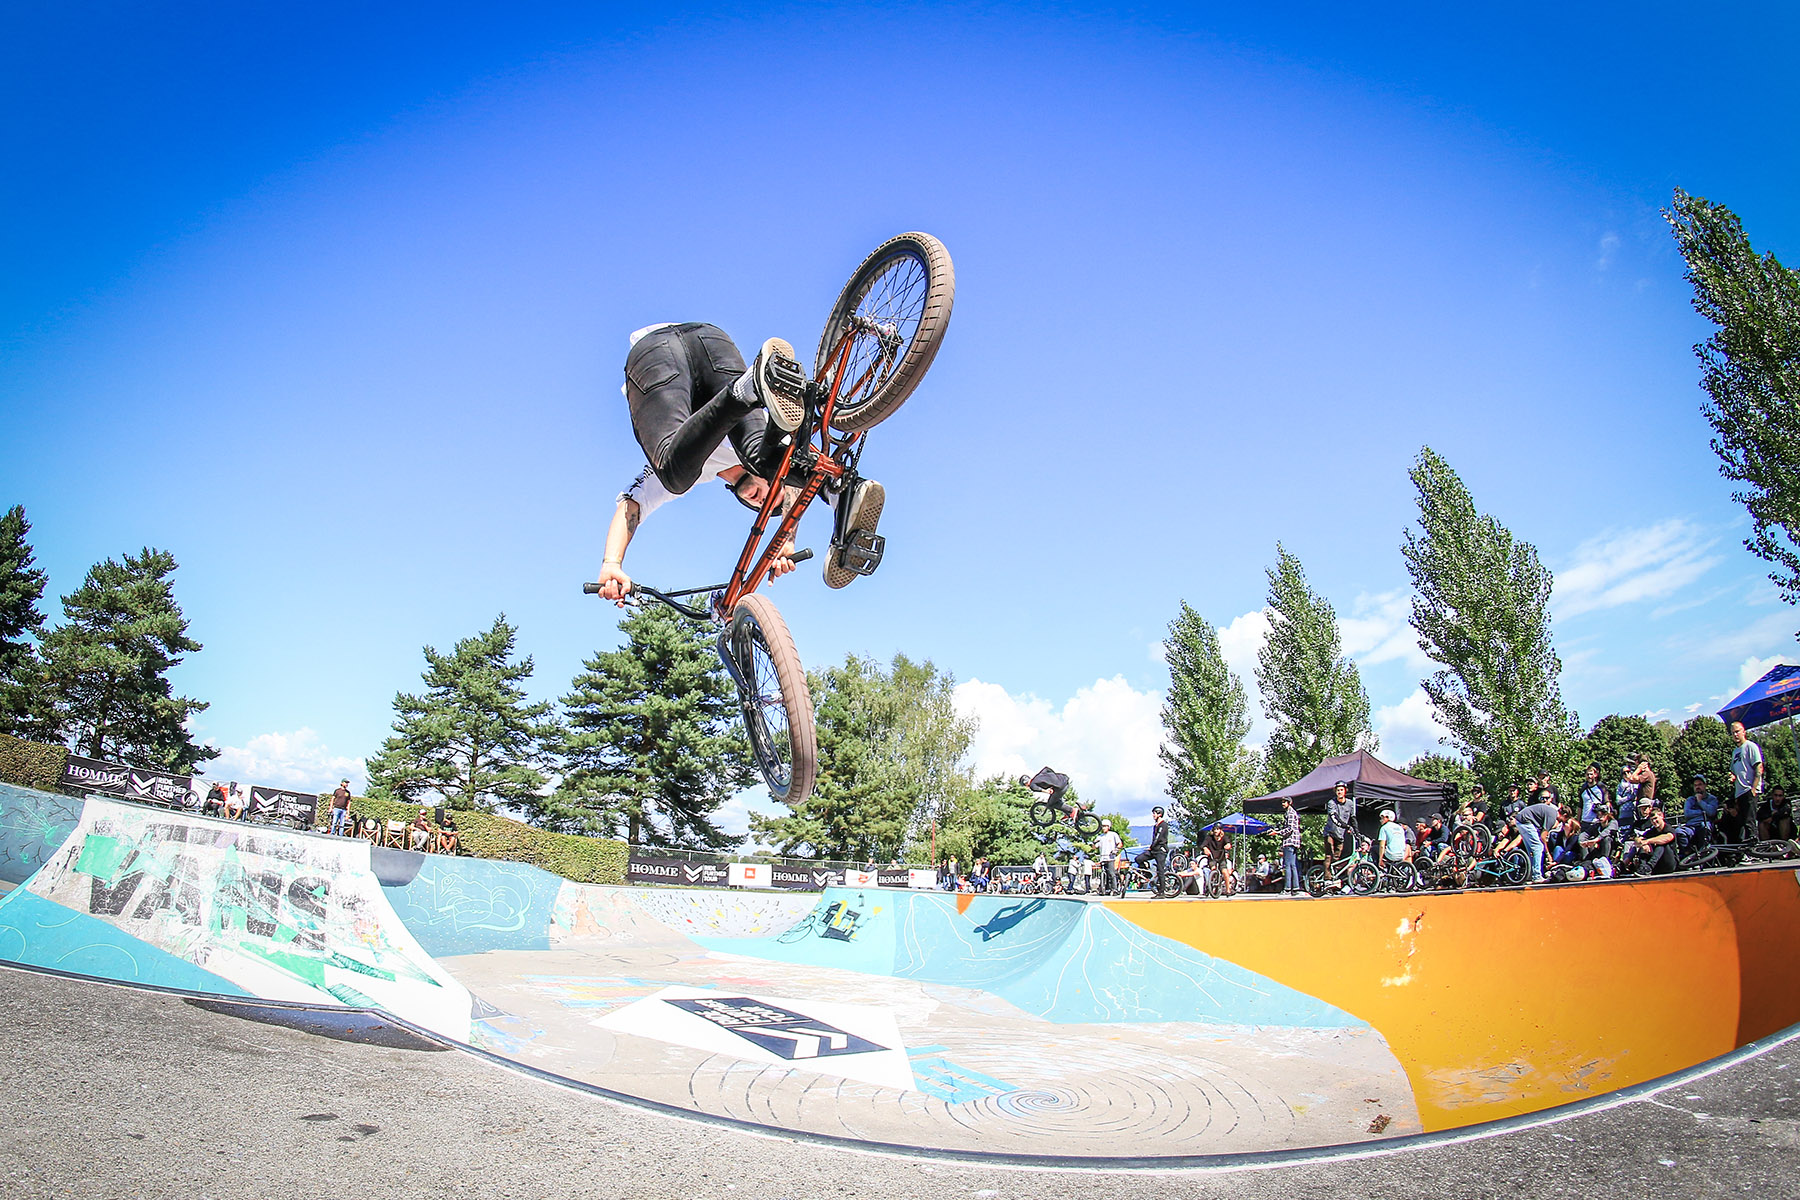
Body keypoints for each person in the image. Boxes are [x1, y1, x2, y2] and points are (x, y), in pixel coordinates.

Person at [594, 323, 886, 601]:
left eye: (761, 506)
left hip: (707, 345)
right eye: (771, 498)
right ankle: (751, 393)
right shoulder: (769, 451)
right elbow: (797, 484)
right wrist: (786, 538)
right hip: (666, 349)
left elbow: (632, 505)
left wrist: (611, 564)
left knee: (684, 473)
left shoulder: (698, 469)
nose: (762, 501)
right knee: (779, 457)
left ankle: (843, 491)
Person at [1515, 795, 1560, 882]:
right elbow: (1543, 837)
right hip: (1525, 821)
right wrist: (1548, 854)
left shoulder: (1550, 811)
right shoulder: (1553, 816)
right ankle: (1537, 876)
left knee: (1532, 851)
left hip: (1521, 820)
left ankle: (1530, 874)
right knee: (1538, 847)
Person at [1731, 721, 1765, 828]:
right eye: (1733, 733)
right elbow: (1734, 770)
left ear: (1743, 732)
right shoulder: (1735, 752)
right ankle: (1746, 843)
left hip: (1749, 789)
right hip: (1740, 792)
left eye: (1737, 731)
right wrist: (1732, 776)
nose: (1735, 735)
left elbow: (1759, 767)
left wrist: (1754, 789)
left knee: (1749, 822)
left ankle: (1754, 842)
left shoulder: (1750, 746)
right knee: (1742, 824)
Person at [1134, 806, 1170, 894]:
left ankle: (1161, 892)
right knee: (1138, 859)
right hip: (1154, 850)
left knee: (1160, 870)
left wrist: (1151, 846)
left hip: (1161, 850)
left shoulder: (1163, 825)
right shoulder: (1155, 825)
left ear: (1159, 814)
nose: (1153, 815)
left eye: (1154, 813)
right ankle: (1147, 874)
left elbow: (1158, 838)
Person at [1634, 807, 1680, 875]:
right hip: (1658, 866)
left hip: (1670, 863)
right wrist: (1643, 843)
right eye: (1652, 820)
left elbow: (1668, 837)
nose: (1654, 822)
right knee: (1644, 844)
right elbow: (1637, 840)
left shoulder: (1668, 828)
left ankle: (1649, 866)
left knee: (1661, 844)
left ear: (1661, 816)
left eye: (1656, 818)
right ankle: (1643, 867)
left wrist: (1647, 841)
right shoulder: (1652, 831)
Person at [1323, 781, 1355, 870]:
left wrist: (1356, 830)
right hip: (1330, 832)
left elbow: (1352, 818)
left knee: (1337, 858)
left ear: (1345, 791)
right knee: (1329, 855)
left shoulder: (1350, 803)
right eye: (1338, 790)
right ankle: (1327, 878)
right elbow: (1334, 817)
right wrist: (1345, 826)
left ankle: (1334, 876)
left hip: (1340, 835)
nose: (1339, 792)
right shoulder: (1331, 802)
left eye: (1341, 790)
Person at [1278, 796, 1302, 895]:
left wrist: (1278, 832)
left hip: (1290, 841)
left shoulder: (1291, 813)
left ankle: (1287, 888)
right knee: (1293, 865)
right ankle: (1295, 888)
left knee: (1287, 865)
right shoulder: (1289, 813)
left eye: (1285, 802)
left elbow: (1290, 829)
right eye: (1282, 802)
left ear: (1290, 803)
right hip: (1293, 842)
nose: (1283, 804)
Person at [1096, 820, 1122, 895]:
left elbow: (1119, 843)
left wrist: (1115, 850)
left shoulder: (1113, 834)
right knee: (1104, 873)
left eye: (1105, 826)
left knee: (1111, 873)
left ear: (1109, 827)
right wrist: (1094, 843)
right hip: (1102, 857)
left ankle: (1114, 889)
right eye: (1103, 826)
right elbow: (1095, 847)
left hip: (1110, 857)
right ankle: (1105, 888)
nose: (1103, 828)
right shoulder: (1100, 837)